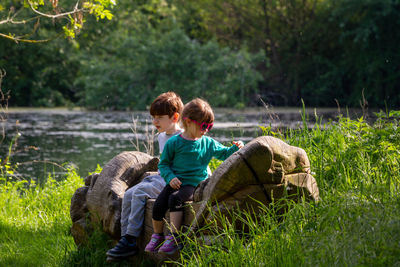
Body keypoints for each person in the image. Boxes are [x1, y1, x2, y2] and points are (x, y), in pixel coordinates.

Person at [144, 98, 244, 255]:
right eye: (204, 125)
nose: (206, 130)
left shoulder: (207, 143)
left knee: (175, 199)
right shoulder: (174, 143)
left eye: (209, 126)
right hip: (175, 182)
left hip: (195, 184)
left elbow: (224, 154)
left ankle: (174, 238)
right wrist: (170, 178)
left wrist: (235, 148)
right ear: (188, 122)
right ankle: (157, 235)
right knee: (158, 204)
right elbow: (163, 165)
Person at [106, 92, 184, 259]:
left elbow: (198, 158)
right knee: (129, 193)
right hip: (162, 176)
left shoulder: (183, 137)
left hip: (175, 181)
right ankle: (125, 239)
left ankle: (132, 238)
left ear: (174, 117)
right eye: (153, 117)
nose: (155, 121)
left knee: (141, 193)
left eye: (159, 117)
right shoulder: (162, 136)